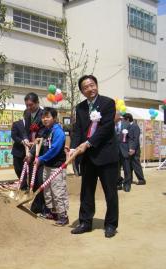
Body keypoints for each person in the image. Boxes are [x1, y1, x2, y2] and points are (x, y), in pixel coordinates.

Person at [70, 75, 119, 238]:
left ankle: (111, 224)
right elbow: (78, 130)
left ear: (97, 85)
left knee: (110, 192)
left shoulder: (108, 103)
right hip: (88, 158)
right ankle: (85, 222)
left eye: (92, 85)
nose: (90, 89)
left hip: (106, 155)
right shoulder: (80, 107)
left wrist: (88, 143)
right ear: (82, 91)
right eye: (86, 87)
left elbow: (106, 128)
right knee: (87, 191)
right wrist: (73, 148)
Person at [33, 107, 69, 226]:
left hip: (57, 167)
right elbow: (41, 143)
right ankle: (53, 213)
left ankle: (63, 216)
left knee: (58, 192)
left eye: (47, 117)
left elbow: (54, 149)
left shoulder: (58, 132)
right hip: (47, 166)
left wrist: (41, 159)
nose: (45, 119)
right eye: (43, 117)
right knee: (48, 192)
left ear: (54, 118)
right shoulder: (45, 131)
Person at [23, 93, 46, 214]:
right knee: (31, 177)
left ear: (37, 103)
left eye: (31, 105)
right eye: (26, 105)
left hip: (41, 151)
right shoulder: (26, 113)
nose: (28, 107)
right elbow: (25, 129)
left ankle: (42, 207)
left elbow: (41, 135)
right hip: (30, 148)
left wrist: (32, 153)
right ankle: (35, 205)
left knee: (39, 179)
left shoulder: (43, 115)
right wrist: (25, 139)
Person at [123, 113, 146, 185]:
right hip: (127, 149)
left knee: (136, 165)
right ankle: (129, 180)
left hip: (134, 150)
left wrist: (132, 148)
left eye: (124, 120)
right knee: (128, 166)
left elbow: (135, 139)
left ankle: (141, 180)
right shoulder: (127, 127)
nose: (123, 121)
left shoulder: (135, 126)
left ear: (128, 119)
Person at [114, 112, 132, 192]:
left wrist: (132, 148)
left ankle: (127, 184)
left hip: (125, 149)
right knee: (116, 168)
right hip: (115, 150)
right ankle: (118, 183)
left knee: (126, 168)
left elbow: (131, 138)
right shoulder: (111, 124)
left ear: (119, 116)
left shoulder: (127, 124)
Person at [11, 113, 27, 181]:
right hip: (18, 151)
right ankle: (22, 182)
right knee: (18, 168)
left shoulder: (33, 124)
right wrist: (22, 141)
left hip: (30, 152)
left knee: (28, 170)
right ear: (24, 115)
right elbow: (14, 136)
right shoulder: (16, 124)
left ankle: (24, 185)